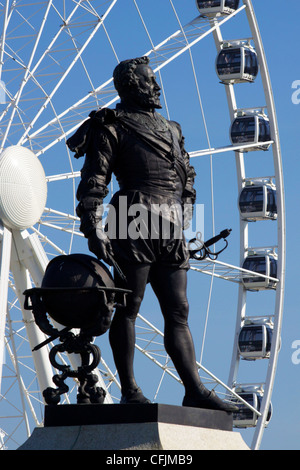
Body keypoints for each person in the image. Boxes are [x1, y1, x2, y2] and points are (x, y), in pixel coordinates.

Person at [67, 56, 237, 412]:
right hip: (132, 219)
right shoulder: (111, 126)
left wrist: (186, 212)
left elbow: (187, 174)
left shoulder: (171, 128)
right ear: (131, 86)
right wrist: (92, 226)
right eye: (149, 81)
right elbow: (94, 181)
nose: (156, 86)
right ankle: (130, 390)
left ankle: (194, 389)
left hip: (170, 223)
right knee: (129, 308)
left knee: (180, 310)